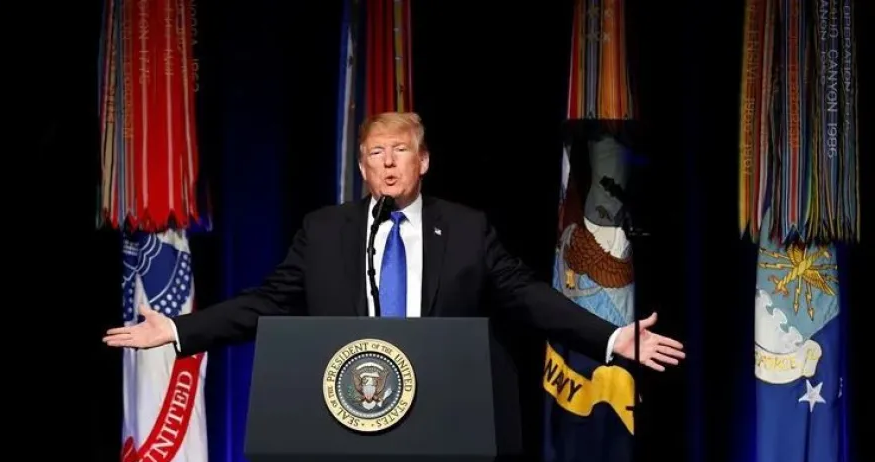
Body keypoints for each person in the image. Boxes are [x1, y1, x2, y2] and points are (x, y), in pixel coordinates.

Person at [103, 112, 684, 371]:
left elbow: (529, 296)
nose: (386, 162)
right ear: (362, 166)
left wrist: (610, 339)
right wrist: (180, 329)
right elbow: (267, 302)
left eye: (399, 150)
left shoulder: (464, 229)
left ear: (423, 160)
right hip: (345, 418)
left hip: (444, 423)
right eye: (374, 153)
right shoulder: (325, 231)